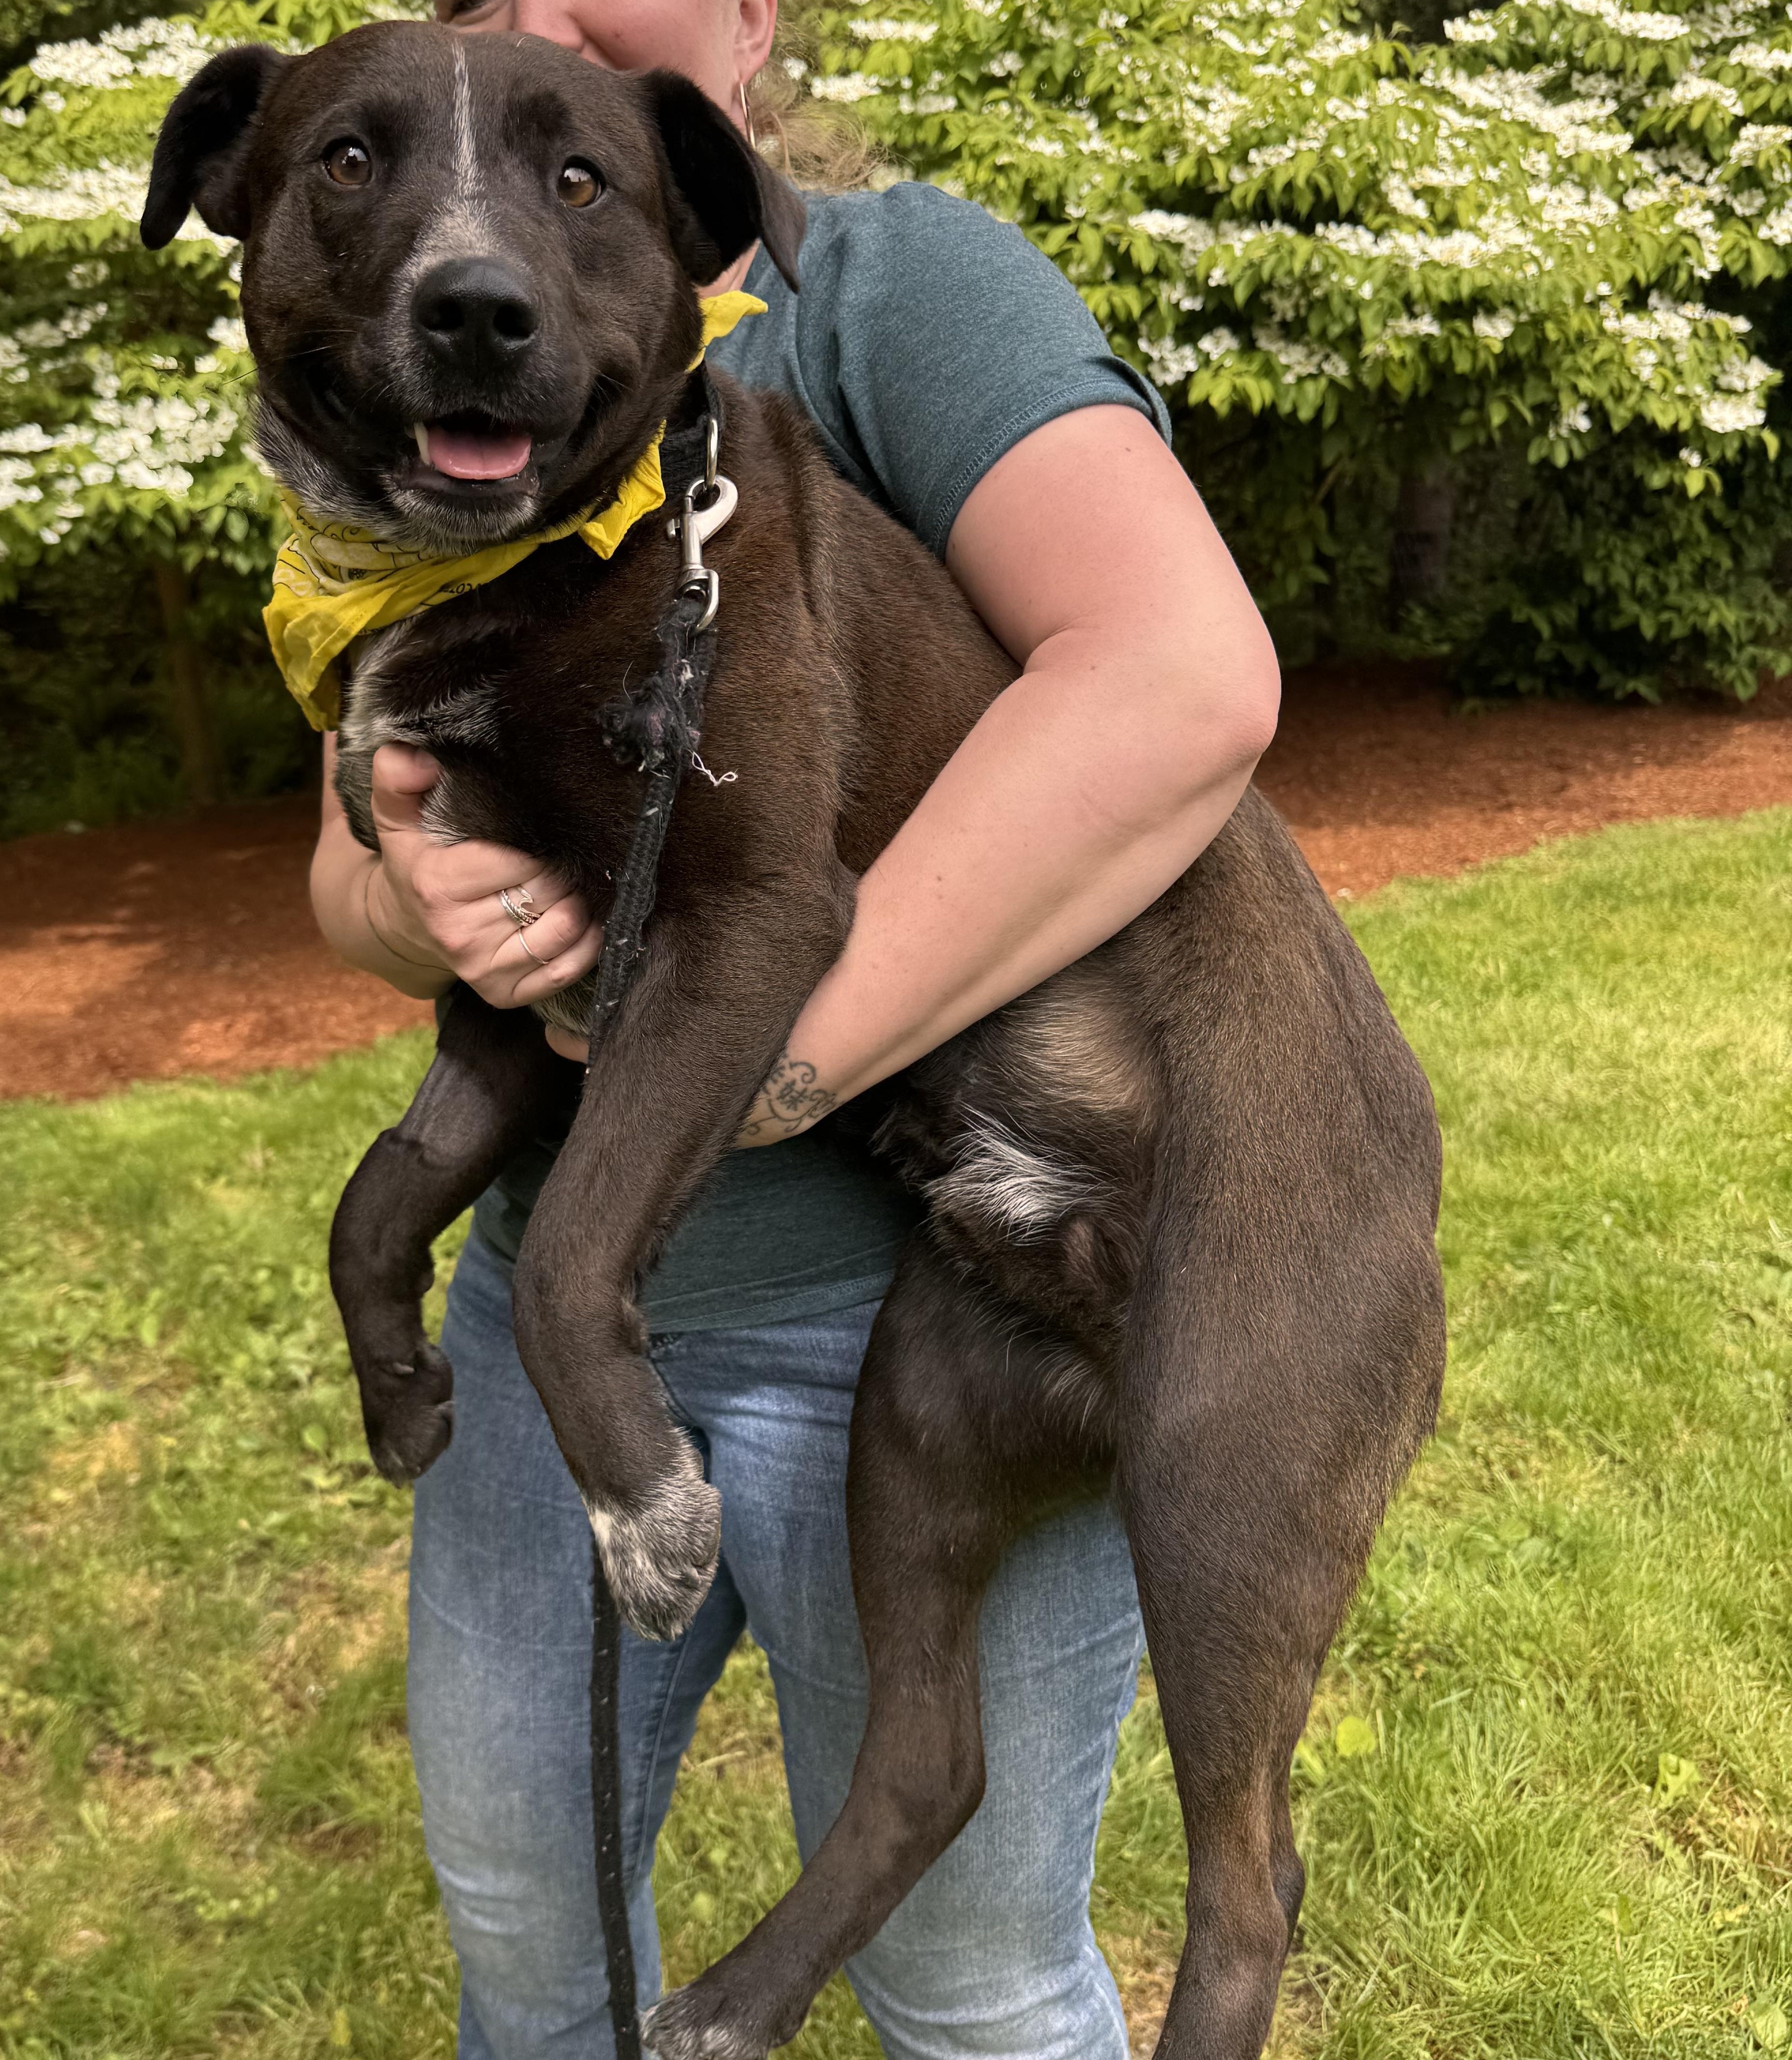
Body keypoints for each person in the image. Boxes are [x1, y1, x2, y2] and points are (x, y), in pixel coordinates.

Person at [309, 3, 1282, 2054]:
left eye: (589, 181)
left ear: (751, 22)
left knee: (970, 1969)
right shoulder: (392, 458)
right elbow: (368, 874)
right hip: (534, 1326)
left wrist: (773, 1073)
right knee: (528, 1926)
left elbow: (1179, 681)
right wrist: (409, 901)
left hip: (926, 1308)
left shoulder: (885, 286)